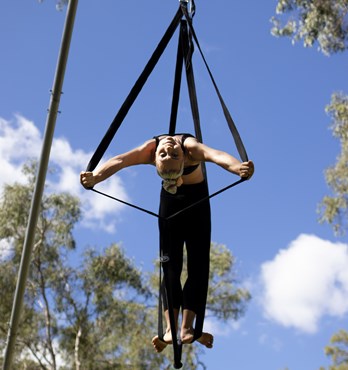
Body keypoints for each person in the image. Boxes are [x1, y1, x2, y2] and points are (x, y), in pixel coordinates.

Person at [80, 133, 254, 353]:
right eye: (166, 153)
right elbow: (120, 161)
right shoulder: (178, 149)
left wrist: (238, 168)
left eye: (171, 153)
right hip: (176, 206)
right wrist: (95, 177)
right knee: (170, 267)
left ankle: (187, 329)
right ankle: (172, 330)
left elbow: (215, 156)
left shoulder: (169, 148)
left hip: (196, 204)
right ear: (157, 160)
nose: (169, 147)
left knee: (198, 267)